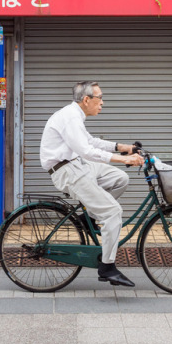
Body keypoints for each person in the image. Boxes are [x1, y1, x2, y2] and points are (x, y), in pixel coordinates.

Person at [40, 81, 144, 287]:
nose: (102, 103)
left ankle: (88, 216)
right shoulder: (70, 117)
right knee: (113, 212)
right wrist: (124, 159)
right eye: (100, 98)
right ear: (86, 99)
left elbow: (91, 142)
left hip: (78, 164)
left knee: (120, 179)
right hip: (68, 171)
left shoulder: (75, 115)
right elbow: (87, 151)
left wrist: (122, 147)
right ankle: (107, 267)